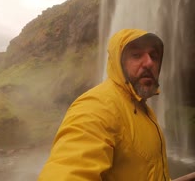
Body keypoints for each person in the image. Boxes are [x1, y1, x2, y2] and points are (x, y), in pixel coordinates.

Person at [38, 28, 170, 180]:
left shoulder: (145, 110)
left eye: (154, 56)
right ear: (117, 62)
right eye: (136, 55)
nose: (149, 62)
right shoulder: (96, 107)